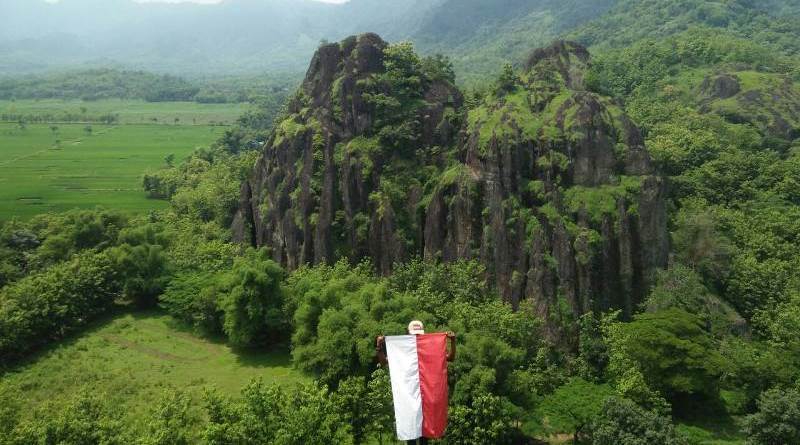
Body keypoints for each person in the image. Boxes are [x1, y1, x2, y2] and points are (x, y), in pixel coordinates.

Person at [376, 320, 456, 445]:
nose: (416, 336)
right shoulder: (401, 347)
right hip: (408, 397)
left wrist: (452, 341)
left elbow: (450, 357)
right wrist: (379, 346)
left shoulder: (430, 346)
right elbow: (383, 362)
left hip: (426, 397)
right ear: (408, 333)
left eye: (418, 334)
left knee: (425, 434)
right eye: (414, 334)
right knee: (411, 433)